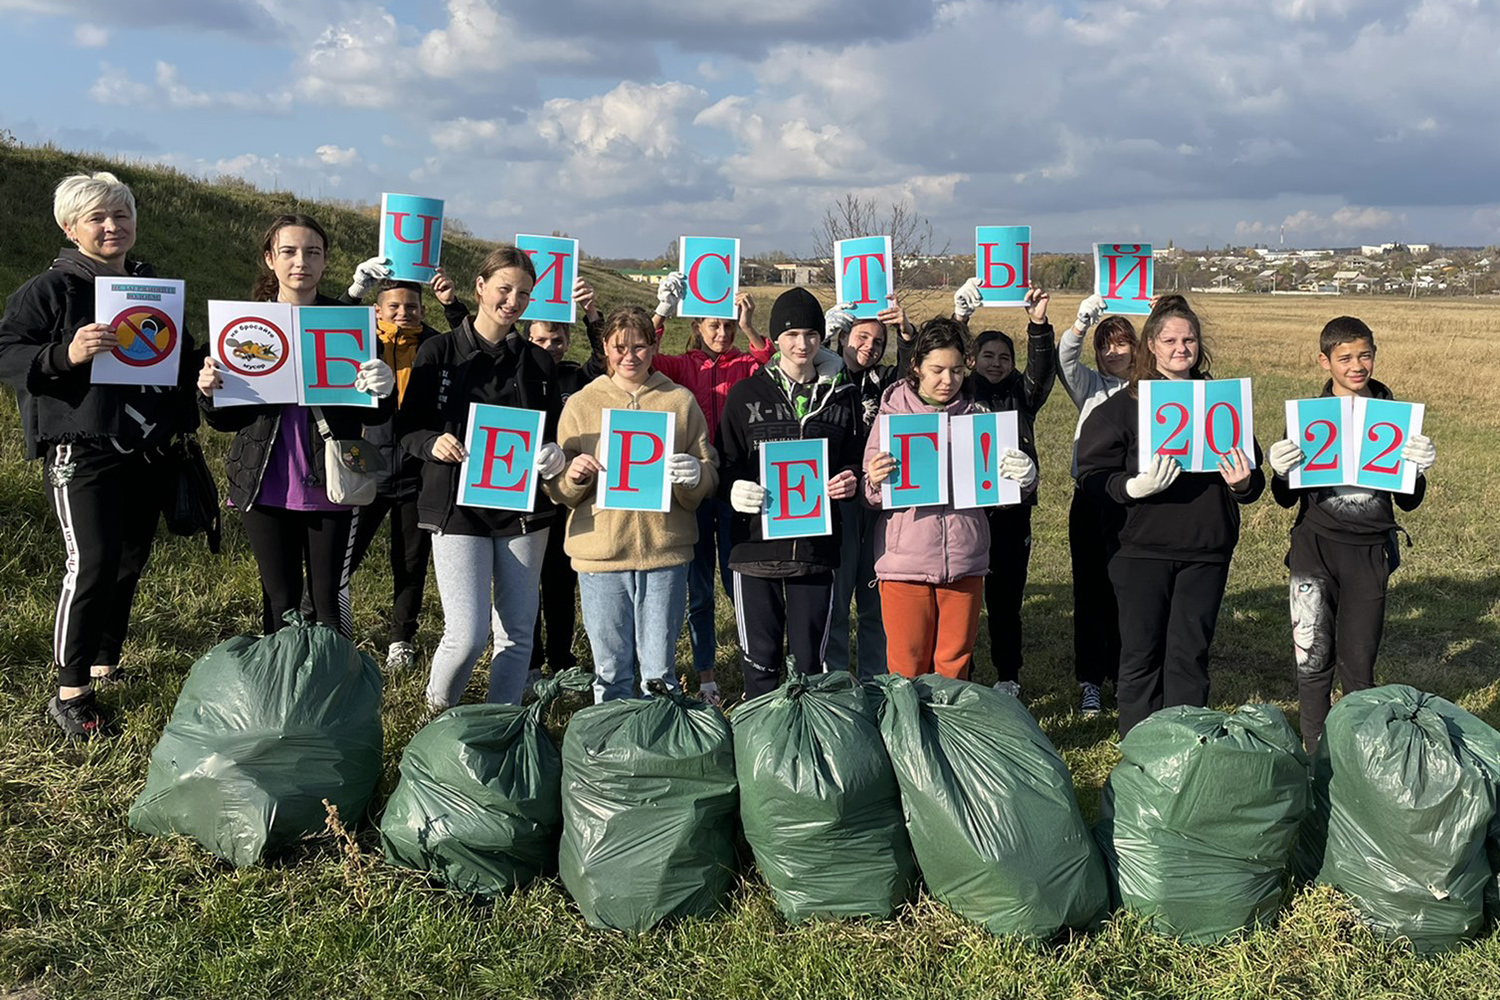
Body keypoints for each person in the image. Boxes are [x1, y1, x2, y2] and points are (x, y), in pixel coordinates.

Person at [0, 171, 201, 738]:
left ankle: (103, 662)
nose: (112, 226)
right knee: (89, 563)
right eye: (97, 217)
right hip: (82, 449)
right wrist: (65, 352)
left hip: (148, 448)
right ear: (70, 227)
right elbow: (6, 351)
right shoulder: (51, 289)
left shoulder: (150, 284)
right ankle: (70, 691)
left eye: (121, 215)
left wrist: (205, 371)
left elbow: (177, 356)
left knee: (128, 561)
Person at [198, 214, 395, 638]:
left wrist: (384, 387)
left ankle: (332, 686)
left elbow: (375, 414)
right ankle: (280, 688)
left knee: (327, 598)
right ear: (270, 259)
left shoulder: (349, 323)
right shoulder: (241, 326)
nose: (300, 262)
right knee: (278, 599)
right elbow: (223, 420)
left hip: (330, 478)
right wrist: (209, 391)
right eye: (288, 251)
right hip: (264, 480)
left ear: (325, 262)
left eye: (312, 252)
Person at [1075, 294, 1264, 738]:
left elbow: (1252, 480)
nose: (1182, 348)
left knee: (1189, 654)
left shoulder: (1223, 405)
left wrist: (1241, 482)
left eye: (1190, 339)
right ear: (1151, 347)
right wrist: (1130, 487)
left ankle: (1185, 748)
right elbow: (1091, 476)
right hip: (1139, 550)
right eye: (1171, 339)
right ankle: (1141, 751)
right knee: (1140, 654)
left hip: (1206, 548)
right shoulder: (1120, 408)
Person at [397, 246, 565, 710]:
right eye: (504, 289)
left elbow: (554, 433)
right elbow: (407, 430)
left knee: (516, 634)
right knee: (467, 634)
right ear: (480, 287)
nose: (512, 301)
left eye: (524, 294)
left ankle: (501, 721)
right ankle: (436, 713)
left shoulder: (539, 363)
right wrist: (432, 443)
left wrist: (554, 454)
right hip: (457, 509)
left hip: (524, 512)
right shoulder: (440, 351)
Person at [1266, 316, 1436, 751]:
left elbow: (1410, 501)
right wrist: (1281, 471)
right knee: (1311, 657)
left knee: (1359, 664)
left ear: (1375, 356)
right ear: (1325, 361)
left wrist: (1418, 469)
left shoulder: (1395, 416)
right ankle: (1314, 749)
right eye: (1345, 357)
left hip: (1369, 551)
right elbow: (1285, 499)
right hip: (1314, 550)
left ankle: (1356, 756)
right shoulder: (1307, 418)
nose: (1356, 365)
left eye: (1364, 355)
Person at [546, 306, 718, 704]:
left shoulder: (680, 401)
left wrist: (696, 475)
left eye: (640, 346)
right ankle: (613, 750)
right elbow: (559, 487)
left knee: (659, 671)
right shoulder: (582, 404)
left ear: (654, 345)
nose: (630, 356)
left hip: (666, 552)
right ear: (605, 347)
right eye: (620, 347)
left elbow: (709, 471)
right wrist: (571, 477)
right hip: (600, 555)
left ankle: (658, 750)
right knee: (609, 669)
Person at [862, 317, 1036, 680]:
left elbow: (1002, 491)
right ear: (916, 367)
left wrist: (1025, 479)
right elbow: (870, 494)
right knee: (906, 667)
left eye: (957, 371)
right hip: (905, 563)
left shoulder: (978, 416)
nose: (948, 381)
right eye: (937, 370)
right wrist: (874, 481)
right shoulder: (891, 414)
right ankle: (907, 735)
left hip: (965, 560)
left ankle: (949, 734)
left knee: (955, 664)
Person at [718, 287, 862, 699]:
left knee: (811, 666)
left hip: (816, 552)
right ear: (775, 339)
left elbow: (854, 457)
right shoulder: (746, 395)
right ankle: (758, 749)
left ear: (822, 338)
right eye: (792, 334)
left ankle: (808, 746)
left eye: (812, 334)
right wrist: (733, 489)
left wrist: (849, 479)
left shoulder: (843, 397)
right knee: (760, 665)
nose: (803, 344)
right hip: (755, 551)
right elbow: (724, 463)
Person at [647, 273, 769, 705]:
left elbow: (769, 361)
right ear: (696, 327)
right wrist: (662, 311)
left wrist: (752, 326)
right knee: (698, 587)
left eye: (729, 326)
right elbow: (647, 355)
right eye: (713, 325)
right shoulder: (683, 367)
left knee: (741, 581)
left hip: (736, 482)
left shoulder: (743, 363)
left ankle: (757, 664)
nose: (722, 333)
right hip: (696, 483)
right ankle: (707, 676)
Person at [335, 272, 452, 671]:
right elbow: (323, 327)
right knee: (340, 558)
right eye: (394, 307)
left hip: (417, 474)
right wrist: (354, 291)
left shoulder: (435, 345)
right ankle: (322, 626)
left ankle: (402, 639)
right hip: (365, 468)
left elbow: (471, 342)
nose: (404, 313)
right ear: (378, 309)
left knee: (410, 562)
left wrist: (452, 304)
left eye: (413, 306)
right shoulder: (360, 340)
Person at [952, 279, 1056, 699]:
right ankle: (965, 670)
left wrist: (1038, 325)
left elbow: (1042, 370)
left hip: (1013, 512)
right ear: (972, 360)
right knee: (965, 599)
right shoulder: (960, 392)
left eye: (1005, 357)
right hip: (968, 512)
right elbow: (936, 359)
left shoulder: (1022, 393)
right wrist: (960, 319)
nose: (996, 364)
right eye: (988, 356)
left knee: (1007, 598)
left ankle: (1008, 674)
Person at [821, 296, 914, 681]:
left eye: (878, 342)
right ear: (844, 336)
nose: (869, 347)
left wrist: (907, 335)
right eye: (861, 337)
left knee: (874, 594)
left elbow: (914, 373)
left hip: (879, 500)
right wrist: (824, 343)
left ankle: (875, 676)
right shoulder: (827, 376)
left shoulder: (886, 382)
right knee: (838, 596)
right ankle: (838, 675)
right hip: (840, 497)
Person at [1057, 294, 1137, 715]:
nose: (1113, 352)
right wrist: (1080, 324)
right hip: (1090, 502)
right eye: (1105, 345)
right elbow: (1064, 360)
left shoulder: (1149, 390)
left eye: (1122, 343)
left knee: (1128, 593)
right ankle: (1090, 680)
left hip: (1135, 503)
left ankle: (1125, 678)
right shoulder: (1089, 385)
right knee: (1089, 591)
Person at [524, 283, 607, 684]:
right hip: (523, 491)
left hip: (569, 495)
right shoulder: (519, 372)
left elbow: (601, 357)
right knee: (525, 582)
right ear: (528, 338)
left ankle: (561, 657)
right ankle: (530, 660)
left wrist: (591, 313)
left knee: (560, 581)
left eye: (557, 339)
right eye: (540, 338)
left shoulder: (577, 376)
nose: (550, 346)